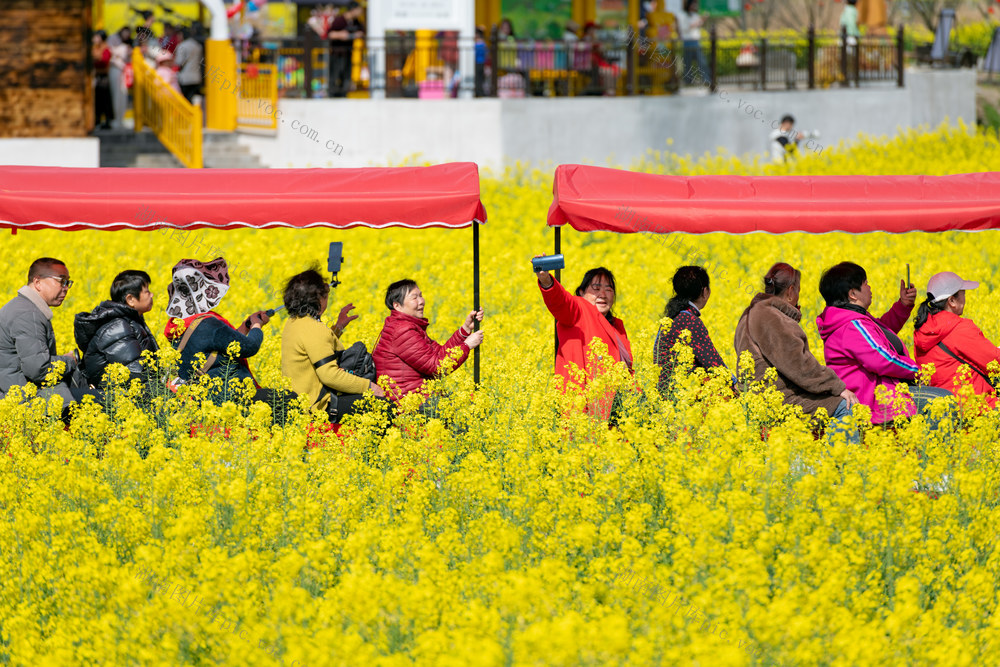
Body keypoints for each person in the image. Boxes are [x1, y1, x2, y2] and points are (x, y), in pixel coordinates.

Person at [815, 262, 948, 424]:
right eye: (866, 284)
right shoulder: (852, 326)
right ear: (853, 294)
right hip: (875, 401)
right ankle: (931, 448)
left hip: (885, 390)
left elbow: (880, 334)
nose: (870, 288)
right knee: (945, 402)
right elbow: (882, 359)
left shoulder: (852, 319)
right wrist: (917, 371)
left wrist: (903, 306)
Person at [163, 258, 295, 419]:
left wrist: (246, 326)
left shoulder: (181, 325)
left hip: (203, 397)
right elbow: (249, 347)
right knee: (290, 400)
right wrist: (256, 326)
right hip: (229, 396)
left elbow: (220, 344)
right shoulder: (208, 324)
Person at [734, 263, 858, 418]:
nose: (799, 296)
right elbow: (799, 366)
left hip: (757, 397)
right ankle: (839, 443)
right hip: (775, 400)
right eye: (798, 290)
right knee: (845, 407)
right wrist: (837, 387)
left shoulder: (751, 312)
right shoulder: (771, 317)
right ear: (791, 291)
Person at [281, 269, 384, 421]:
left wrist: (338, 327)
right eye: (325, 292)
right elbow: (329, 375)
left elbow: (315, 347)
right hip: (319, 407)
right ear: (317, 298)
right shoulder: (314, 329)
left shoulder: (293, 323)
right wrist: (370, 387)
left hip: (298, 404)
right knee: (384, 407)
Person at [0, 258, 93, 410]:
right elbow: (39, 369)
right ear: (38, 283)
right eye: (61, 281)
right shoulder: (28, 314)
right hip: (27, 401)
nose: (66, 288)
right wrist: (70, 361)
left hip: (22, 394)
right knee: (101, 402)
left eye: (68, 283)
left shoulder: (23, 307)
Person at [536, 266, 633, 412]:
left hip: (619, 414)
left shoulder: (618, 328)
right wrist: (547, 281)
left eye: (608, 289)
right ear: (581, 292)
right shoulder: (579, 310)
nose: (603, 294)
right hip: (585, 414)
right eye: (596, 288)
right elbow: (561, 301)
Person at [373, 279, 483, 401]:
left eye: (421, 296)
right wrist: (467, 345)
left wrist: (465, 330)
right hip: (409, 403)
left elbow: (440, 354)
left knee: (474, 402)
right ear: (397, 306)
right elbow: (437, 368)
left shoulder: (406, 326)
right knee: (473, 405)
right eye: (414, 298)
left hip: (417, 396)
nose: (421, 301)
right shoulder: (402, 331)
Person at [913, 272, 1000, 407]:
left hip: (943, 411)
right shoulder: (959, 328)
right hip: (978, 406)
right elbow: (994, 363)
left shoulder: (922, 330)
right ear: (952, 301)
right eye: (963, 293)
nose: (965, 298)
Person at [74, 270, 158, 390]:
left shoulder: (130, 321)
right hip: (114, 400)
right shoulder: (118, 327)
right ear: (130, 300)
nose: (152, 295)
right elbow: (135, 376)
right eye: (147, 291)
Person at [654, 266, 726, 397]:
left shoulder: (671, 317)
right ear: (705, 292)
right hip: (682, 395)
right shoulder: (689, 320)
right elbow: (713, 363)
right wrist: (733, 385)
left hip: (666, 392)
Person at [328, 2, 364, 98]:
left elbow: (362, 31)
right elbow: (330, 34)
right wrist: (341, 35)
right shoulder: (340, 20)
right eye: (359, 10)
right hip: (337, 53)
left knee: (346, 76)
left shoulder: (356, 22)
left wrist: (357, 34)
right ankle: (332, 95)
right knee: (335, 75)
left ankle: (343, 95)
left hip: (348, 52)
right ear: (353, 10)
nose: (360, 12)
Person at [678, 0, 708, 85]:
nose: (694, 6)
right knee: (687, 64)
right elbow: (685, 28)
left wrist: (703, 19)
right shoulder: (683, 15)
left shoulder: (695, 15)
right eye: (693, 4)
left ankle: (706, 80)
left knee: (702, 63)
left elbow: (698, 24)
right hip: (688, 42)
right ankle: (687, 82)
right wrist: (697, 22)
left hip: (696, 42)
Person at [174, 26, 203, 104]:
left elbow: (179, 62)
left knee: (186, 101)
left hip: (185, 78)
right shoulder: (197, 45)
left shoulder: (182, 46)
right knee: (193, 99)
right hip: (197, 77)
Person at [93, 30, 114, 130]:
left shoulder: (105, 49)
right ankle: (97, 120)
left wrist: (95, 59)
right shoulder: (95, 48)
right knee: (97, 101)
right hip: (97, 76)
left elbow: (104, 62)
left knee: (105, 100)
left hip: (103, 77)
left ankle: (107, 121)